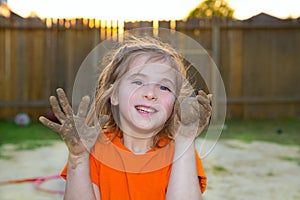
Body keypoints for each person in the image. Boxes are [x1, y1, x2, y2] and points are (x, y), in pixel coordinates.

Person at [39, 35, 212, 200]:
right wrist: (78, 158)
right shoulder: (94, 148)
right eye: (138, 82)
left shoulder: (179, 150)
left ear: (175, 103)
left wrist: (186, 139)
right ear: (114, 95)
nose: (151, 93)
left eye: (164, 87)